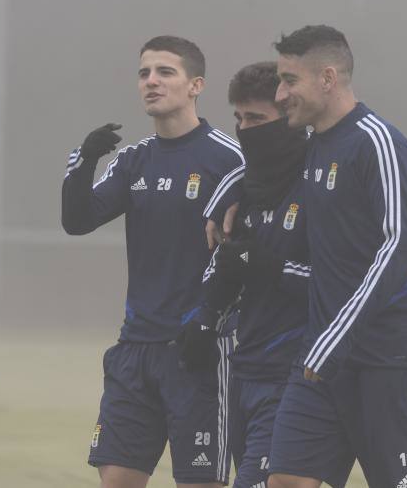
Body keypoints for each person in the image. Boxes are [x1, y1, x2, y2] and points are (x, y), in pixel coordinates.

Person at [266, 25, 407, 488]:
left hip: (392, 363)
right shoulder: (313, 150)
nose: (280, 93)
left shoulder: (378, 143)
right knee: (285, 480)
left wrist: (338, 336)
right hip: (321, 366)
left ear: (327, 78)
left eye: (290, 80)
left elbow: (402, 246)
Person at [61, 35, 243, 488]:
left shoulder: (229, 158)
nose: (151, 81)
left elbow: (249, 254)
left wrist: (214, 316)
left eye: (165, 72)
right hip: (135, 351)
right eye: (144, 73)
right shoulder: (132, 160)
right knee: (116, 479)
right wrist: (84, 161)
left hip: (199, 349)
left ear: (195, 84)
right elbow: (78, 220)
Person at [190, 62, 336, 488]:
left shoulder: (322, 183)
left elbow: (339, 285)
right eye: (238, 118)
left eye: (256, 118)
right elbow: (227, 262)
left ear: (288, 116)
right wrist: (205, 317)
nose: (244, 129)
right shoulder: (244, 187)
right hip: (244, 367)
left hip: (296, 372)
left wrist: (270, 268)